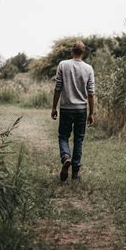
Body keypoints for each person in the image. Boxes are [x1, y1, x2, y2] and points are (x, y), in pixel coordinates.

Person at [51, 40, 95, 181]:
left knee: (63, 136)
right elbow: (91, 93)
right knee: (79, 140)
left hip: (66, 108)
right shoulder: (88, 68)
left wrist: (54, 107)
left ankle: (65, 157)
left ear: (72, 51)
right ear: (83, 52)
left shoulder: (63, 65)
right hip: (81, 109)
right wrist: (91, 113)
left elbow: (58, 88)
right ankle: (75, 173)